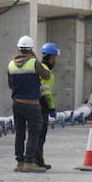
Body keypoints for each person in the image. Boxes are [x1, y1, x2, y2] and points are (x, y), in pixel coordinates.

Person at [7, 36, 51, 173]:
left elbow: (10, 85)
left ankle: (19, 162)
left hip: (17, 103)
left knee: (19, 134)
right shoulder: (34, 63)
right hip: (32, 104)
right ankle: (29, 162)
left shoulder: (11, 65)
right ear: (31, 49)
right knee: (34, 132)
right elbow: (46, 75)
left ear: (19, 49)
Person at [36, 42, 60, 170]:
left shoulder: (38, 67)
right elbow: (47, 93)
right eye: (55, 57)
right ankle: (38, 160)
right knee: (40, 135)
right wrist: (52, 108)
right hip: (42, 106)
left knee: (35, 134)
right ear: (51, 57)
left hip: (34, 104)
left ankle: (35, 159)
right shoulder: (47, 72)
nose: (55, 60)